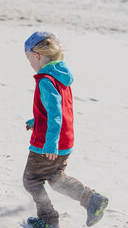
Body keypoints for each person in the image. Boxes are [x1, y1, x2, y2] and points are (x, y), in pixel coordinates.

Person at [23, 31, 108, 228]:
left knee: (32, 181)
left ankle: (48, 219)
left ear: (37, 56)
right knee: (56, 178)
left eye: (29, 59)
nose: (30, 64)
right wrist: (35, 121)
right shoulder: (61, 76)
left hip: (47, 144)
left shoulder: (45, 80)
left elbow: (55, 114)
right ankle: (92, 199)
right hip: (65, 141)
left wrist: (50, 144)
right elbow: (53, 110)